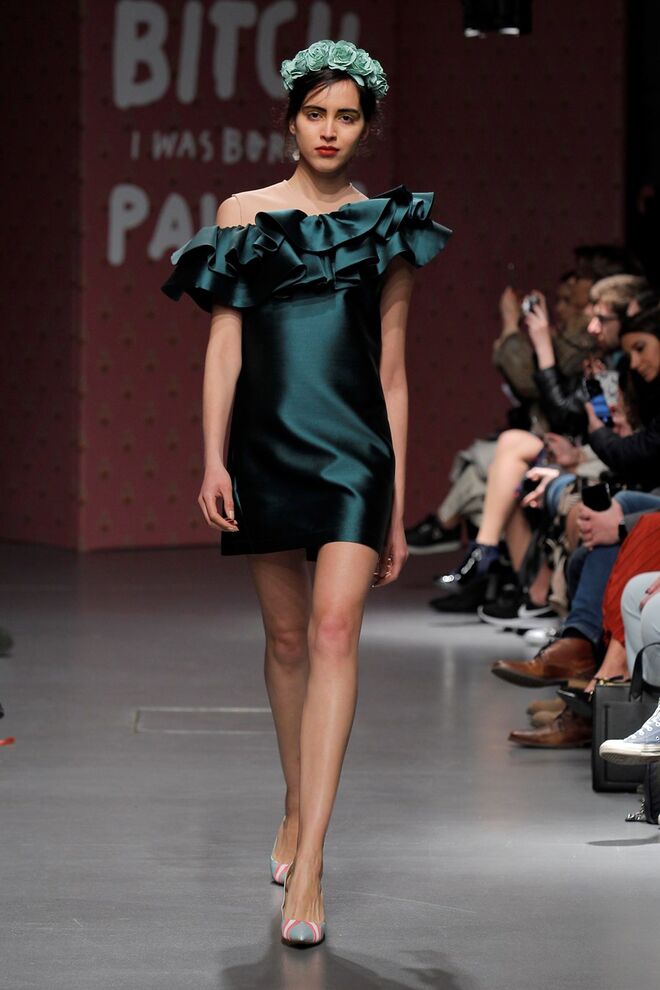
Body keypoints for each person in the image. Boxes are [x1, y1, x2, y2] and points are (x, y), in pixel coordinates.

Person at [161, 40, 451, 948]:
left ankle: (314, 860)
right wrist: (213, 459)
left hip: (356, 453)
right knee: (287, 641)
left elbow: (393, 374)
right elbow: (224, 345)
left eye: (347, 117)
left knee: (332, 633)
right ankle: (294, 804)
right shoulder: (242, 214)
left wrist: (396, 499)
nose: (330, 130)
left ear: (366, 128)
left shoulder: (388, 226)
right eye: (316, 114)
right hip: (266, 448)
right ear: (290, 121)